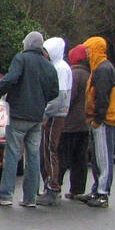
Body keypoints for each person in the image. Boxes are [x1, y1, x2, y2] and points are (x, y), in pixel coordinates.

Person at [0, 32, 59, 207]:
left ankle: (5, 194)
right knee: (33, 156)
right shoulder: (49, 65)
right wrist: (42, 101)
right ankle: (30, 197)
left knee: (13, 154)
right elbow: (54, 92)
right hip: (37, 116)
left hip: (19, 113)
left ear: (27, 44)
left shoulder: (21, 59)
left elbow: (11, 78)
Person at [81, 36, 115, 207]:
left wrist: (97, 119)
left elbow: (102, 97)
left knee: (103, 158)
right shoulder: (99, 68)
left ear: (95, 50)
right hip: (100, 120)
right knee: (97, 158)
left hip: (103, 121)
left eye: (89, 50)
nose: (87, 54)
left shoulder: (103, 70)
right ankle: (97, 189)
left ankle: (102, 193)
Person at [37, 37, 73, 205]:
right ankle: (49, 184)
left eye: (46, 52)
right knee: (46, 149)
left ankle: (53, 185)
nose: (44, 55)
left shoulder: (61, 69)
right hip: (55, 114)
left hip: (55, 115)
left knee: (50, 150)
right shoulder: (56, 67)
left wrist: (45, 113)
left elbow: (60, 97)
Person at [57, 44, 91, 198]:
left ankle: (55, 186)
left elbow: (68, 99)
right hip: (84, 124)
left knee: (62, 157)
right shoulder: (89, 75)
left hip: (69, 125)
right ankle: (77, 189)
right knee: (80, 159)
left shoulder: (74, 75)